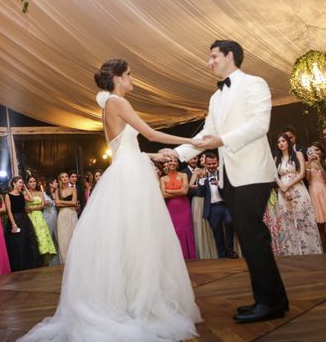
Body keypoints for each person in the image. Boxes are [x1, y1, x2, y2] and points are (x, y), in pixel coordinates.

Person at [20, 58, 203, 341]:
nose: (133, 79)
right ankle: (140, 303)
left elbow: (125, 147)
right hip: (131, 177)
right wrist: (193, 142)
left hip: (126, 169)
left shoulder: (108, 107)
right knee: (139, 238)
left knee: (129, 239)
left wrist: (156, 155)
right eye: (130, 74)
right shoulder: (118, 103)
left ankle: (131, 299)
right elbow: (150, 133)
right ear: (117, 77)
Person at [167, 39, 289, 324]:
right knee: (249, 237)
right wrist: (175, 153)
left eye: (213, 56)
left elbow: (260, 125)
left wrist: (223, 140)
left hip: (253, 173)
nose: (209, 62)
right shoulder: (215, 98)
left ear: (230, 55)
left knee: (252, 236)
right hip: (229, 177)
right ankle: (272, 300)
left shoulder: (255, 84)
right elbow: (206, 135)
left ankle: (269, 302)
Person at [266, 133, 322, 256]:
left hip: (298, 189)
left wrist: (289, 186)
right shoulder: (276, 158)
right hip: (283, 192)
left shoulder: (298, 154)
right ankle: (293, 252)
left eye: (283, 141)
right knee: (288, 221)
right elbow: (276, 176)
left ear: (288, 142)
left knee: (304, 219)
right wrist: (284, 189)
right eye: (279, 141)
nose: (281, 143)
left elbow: (302, 174)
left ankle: (310, 251)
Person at [160, 158, 197, 259]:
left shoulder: (183, 175)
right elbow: (163, 195)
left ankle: (191, 257)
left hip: (184, 207)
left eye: (175, 161)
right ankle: (178, 258)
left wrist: (169, 191)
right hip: (172, 209)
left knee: (187, 231)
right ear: (167, 164)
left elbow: (185, 192)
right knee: (175, 231)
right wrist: (178, 191)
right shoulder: (163, 179)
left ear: (177, 164)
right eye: (170, 161)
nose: (173, 163)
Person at [202, 151, 236, 258]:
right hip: (212, 208)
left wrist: (220, 185)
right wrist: (202, 180)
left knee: (230, 222)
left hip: (225, 205)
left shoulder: (223, 174)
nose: (211, 166)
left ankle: (230, 251)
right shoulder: (202, 175)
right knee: (217, 234)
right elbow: (199, 193)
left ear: (217, 163)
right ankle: (222, 255)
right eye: (209, 164)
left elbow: (231, 190)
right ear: (206, 164)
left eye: (213, 163)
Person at [5, 176, 41, 271]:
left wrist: (25, 189)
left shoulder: (22, 194)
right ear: (14, 183)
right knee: (18, 243)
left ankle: (28, 264)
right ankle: (19, 266)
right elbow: (9, 211)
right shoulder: (8, 195)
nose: (21, 184)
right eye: (20, 183)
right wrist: (13, 224)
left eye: (22, 183)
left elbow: (31, 199)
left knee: (26, 241)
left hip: (24, 219)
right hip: (15, 219)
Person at [25, 176, 57, 264]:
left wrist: (32, 208)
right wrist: (32, 208)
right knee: (34, 237)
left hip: (39, 217)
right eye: (30, 182)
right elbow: (26, 207)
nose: (33, 183)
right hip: (30, 217)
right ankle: (35, 260)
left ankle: (44, 260)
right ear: (27, 184)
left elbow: (43, 205)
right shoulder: (25, 193)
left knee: (42, 236)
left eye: (34, 181)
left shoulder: (39, 192)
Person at [55, 171, 78, 263]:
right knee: (63, 238)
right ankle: (65, 261)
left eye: (66, 176)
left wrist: (61, 202)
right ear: (60, 180)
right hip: (62, 215)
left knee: (74, 236)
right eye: (62, 177)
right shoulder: (58, 191)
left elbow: (74, 202)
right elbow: (57, 204)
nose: (65, 178)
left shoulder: (73, 189)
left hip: (72, 213)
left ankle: (76, 259)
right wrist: (68, 203)